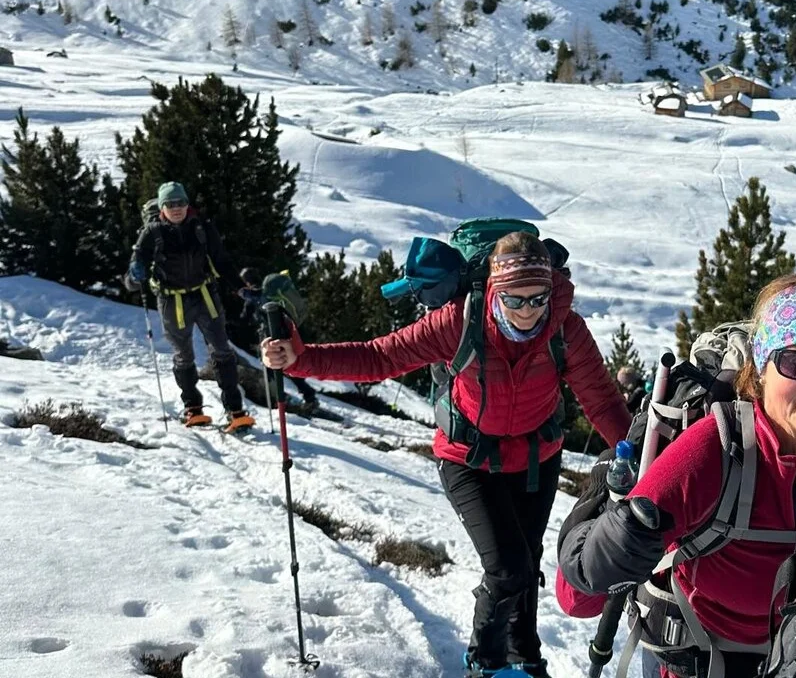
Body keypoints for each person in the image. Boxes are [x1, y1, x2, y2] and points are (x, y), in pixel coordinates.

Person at [261, 231, 632, 677]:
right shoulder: (460, 321)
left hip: (537, 459)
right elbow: (380, 357)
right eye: (514, 300)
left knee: (525, 560)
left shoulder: (566, 329)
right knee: (508, 568)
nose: (528, 311)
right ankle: (484, 662)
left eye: (538, 298)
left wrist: (644, 461)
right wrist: (301, 360)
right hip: (467, 459)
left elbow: (603, 402)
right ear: (494, 290)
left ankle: (525, 656)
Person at [557, 272, 796, 678]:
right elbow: (577, 599)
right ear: (763, 365)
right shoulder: (716, 449)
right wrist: (610, 548)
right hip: (699, 664)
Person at [124, 181, 254, 434]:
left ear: (187, 204)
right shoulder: (151, 233)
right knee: (184, 354)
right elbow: (132, 278)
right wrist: (134, 274)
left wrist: (240, 288)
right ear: (162, 207)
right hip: (172, 301)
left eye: (181, 203)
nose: (176, 208)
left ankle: (235, 411)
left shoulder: (202, 227)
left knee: (222, 349)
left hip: (205, 295)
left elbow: (222, 261)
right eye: (170, 204)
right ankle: (193, 408)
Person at [236, 267, 320, 414]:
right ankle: (308, 396)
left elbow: (244, 319)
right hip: (286, 333)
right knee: (287, 365)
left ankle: (283, 399)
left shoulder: (254, 296)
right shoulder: (271, 290)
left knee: (271, 367)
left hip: (271, 336)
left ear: (246, 281)